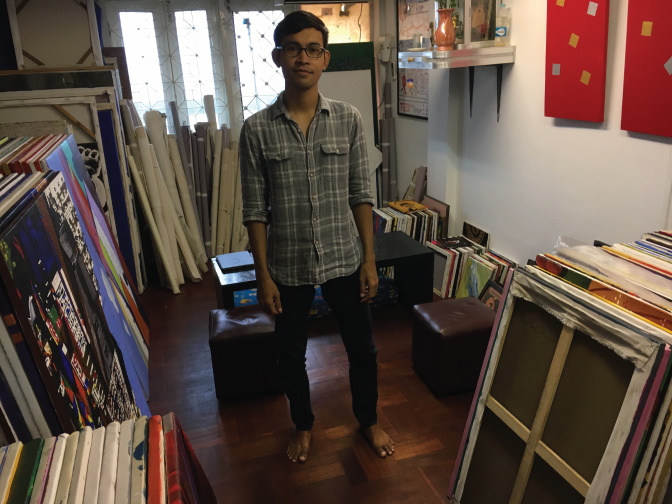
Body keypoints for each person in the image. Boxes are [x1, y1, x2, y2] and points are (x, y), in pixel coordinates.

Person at [239, 10, 394, 464]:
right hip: (288, 266)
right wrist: (262, 276)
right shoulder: (257, 130)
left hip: (345, 259)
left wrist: (369, 259)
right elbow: (254, 211)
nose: (302, 58)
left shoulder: (348, 120)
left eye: (312, 49)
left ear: (324, 59)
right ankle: (303, 425)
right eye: (292, 48)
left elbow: (361, 194)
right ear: (277, 57)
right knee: (290, 355)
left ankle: (367, 419)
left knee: (362, 349)